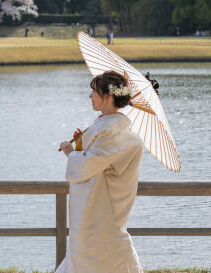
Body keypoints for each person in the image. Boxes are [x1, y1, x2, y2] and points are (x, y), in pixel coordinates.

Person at [56, 70, 144, 273]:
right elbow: (96, 160)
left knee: (101, 252)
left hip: (102, 207)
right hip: (97, 205)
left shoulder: (112, 130)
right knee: (94, 254)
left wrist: (71, 153)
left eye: (94, 92)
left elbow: (91, 164)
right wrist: (80, 145)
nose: (90, 96)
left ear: (108, 97)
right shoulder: (106, 126)